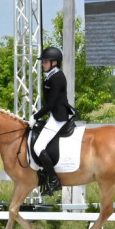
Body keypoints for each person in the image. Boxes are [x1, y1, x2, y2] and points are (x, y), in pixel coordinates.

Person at [30, 46, 75, 196]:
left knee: (38, 146)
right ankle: (44, 174)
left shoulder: (58, 77)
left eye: (45, 62)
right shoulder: (51, 76)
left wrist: (35, 117)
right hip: (53, 116)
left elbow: (50, 104)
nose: (43, 64)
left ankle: (54, 180)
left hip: (58, 117)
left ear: (54, 62)